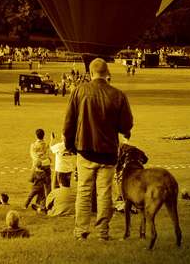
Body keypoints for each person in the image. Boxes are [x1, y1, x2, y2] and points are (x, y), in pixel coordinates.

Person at [63, 57, 133, 241]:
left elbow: (68, 123)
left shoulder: (79, 91)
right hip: (108, 153)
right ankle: (103, 232)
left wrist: (70, 146)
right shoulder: (118, 95)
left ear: (90, 73)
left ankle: (81, 231)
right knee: (104, 193)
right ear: (107, 73)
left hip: (85, 149)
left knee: (84, 192)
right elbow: (126, 125)